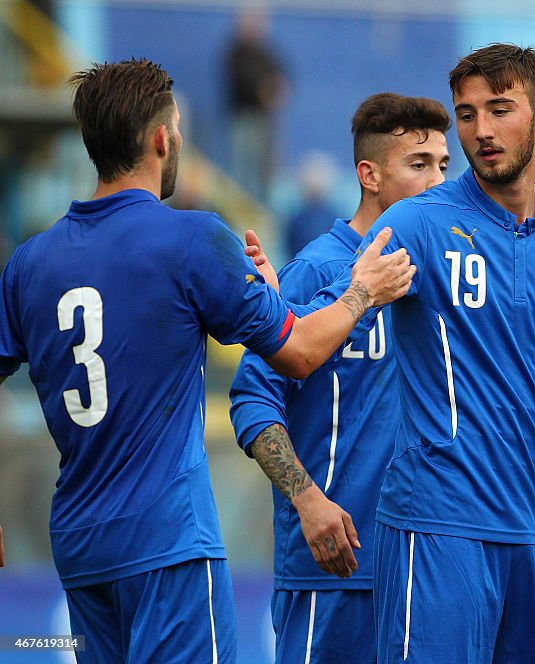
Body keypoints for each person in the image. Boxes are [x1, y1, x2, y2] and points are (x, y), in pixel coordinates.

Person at [275, 43, 535, 663]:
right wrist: (269, 308)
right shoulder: (419, 222)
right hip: (436, 526)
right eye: (467, 114)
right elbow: (319, 325)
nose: (481, 130)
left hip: (531, 529)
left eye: (500, 110)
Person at [0, 59, 413, 663]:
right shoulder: (190, 238)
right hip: (167, 544)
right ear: (162, 138)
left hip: (80, 544)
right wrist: (362, 291)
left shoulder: (29, 263)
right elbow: (298, 355)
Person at [229, 92, 451, 663]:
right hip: (335, 567)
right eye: (419, 165)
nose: (438, 182)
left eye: (444, 166)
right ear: (369, 174)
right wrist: (308, 501)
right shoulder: (317, 271)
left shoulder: (445, 278)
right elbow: (254, 399)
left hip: (423, 573)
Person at [224, 7, 287, 201]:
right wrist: (260, 90)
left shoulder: (265, 53)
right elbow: (241, 80)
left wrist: (275, 90)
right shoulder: (236, 52)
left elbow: (280, 77)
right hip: (243, 117)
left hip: (262, 118)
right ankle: (242, 202)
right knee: (243, 166)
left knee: (263, 166)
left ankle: (261, 203)